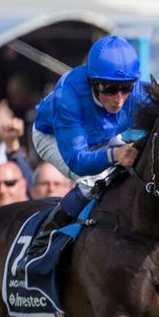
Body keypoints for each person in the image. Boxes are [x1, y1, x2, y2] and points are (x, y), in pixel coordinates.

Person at [25, 35, 148, 258]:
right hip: (53, 137)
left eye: (126, 88)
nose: (119, 99)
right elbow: (78, 161)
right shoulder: (68, 95)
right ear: (93, 82)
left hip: (101, 135)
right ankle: (43, 242)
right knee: (91, 181)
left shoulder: (137, 92)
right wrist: (114, 154)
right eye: (109, 88)